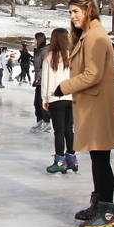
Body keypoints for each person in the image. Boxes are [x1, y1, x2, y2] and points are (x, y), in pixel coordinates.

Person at [54, 0, 114, 227]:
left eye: (76, 11)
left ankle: (106, 213)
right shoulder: (89, 35)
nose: (73, 16)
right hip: (95, 103)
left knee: (101, 160)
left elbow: (93, 74)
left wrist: (63, 87)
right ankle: (99, 204)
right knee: (99, 159)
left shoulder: (96, 37)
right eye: (70, 12)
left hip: (102, 104)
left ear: (89, 11)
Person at [43, 28, 75, 174]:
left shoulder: (50, 56)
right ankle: (71, 159)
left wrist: (44, 98)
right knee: (69, 129)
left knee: (59, 131)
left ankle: (60, 160)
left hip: (55, 97)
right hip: (71, 96)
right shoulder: (72, 56)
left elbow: (45, 79)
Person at [30, 33, 52, 133]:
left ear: (38, 39)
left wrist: (39, 78)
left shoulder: (45, 51)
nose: (33, 41)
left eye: (34, 39)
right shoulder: (39, 51)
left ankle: (46, 123)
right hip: (39, 80)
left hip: (44, 81)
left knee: (42, 102)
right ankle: (39, 121)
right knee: (36, 103)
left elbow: (46, 67)